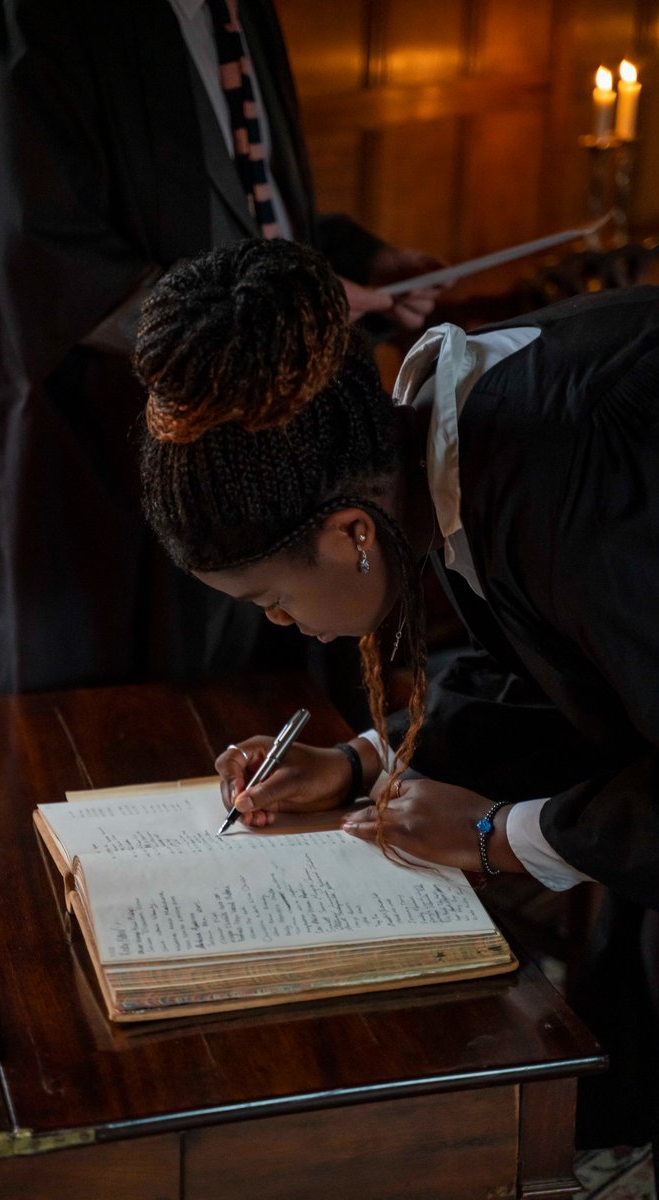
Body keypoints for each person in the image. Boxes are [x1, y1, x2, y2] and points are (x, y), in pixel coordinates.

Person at [135, 237, 658, 1163]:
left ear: (348, 533)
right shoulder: (444, 442)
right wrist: (359, 761)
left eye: (275, 601)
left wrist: (504, 837)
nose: (288, 625)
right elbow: (561, 663)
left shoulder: (573, 469)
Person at [0, 0, 442, 699]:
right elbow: (41, 259)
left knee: (279, 671)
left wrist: (363, 259)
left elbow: (257, 209)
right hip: (117, 438)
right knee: (137, 717)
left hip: (272, 445)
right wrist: (274, 312)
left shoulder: (242, 14)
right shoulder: (37, 22)